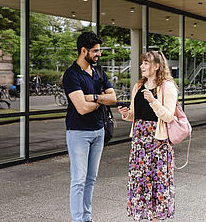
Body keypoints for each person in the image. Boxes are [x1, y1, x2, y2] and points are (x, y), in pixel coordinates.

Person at [63, 31, 116, 222]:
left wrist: (93, 97)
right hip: (78, 133)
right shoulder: (71, 75)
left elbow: (113, 98)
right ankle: (78, 219)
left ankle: (87, 217)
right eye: (95, 51)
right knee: (78, 180)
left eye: (99, 51)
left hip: (99, 131)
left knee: (90, 179)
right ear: (83, 50)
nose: (98, 54)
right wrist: (101, 100)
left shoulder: (99, 73)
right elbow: (82, 108)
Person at [118, 51, 178, 221]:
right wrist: (126, 114)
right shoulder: (138, 86)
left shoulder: (167, 87)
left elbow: (168, 116)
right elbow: (135, 114)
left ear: (157, 66)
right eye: (142, 63)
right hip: (139, 142)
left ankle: (156, 219)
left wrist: (153, 101)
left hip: (158, 143)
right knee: (140, 182)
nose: (142, 66)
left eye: (146, 63)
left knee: (157, 183)